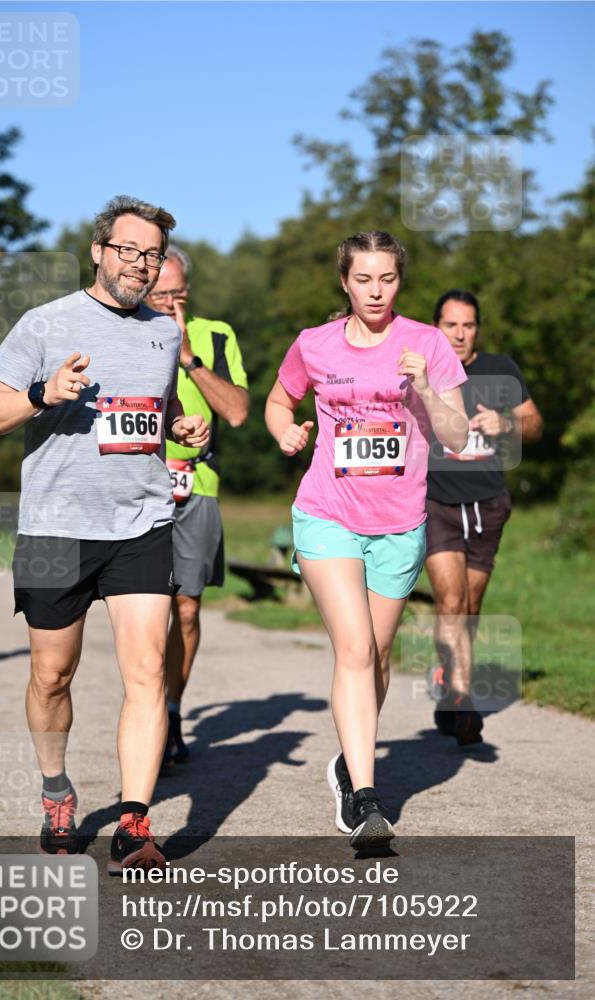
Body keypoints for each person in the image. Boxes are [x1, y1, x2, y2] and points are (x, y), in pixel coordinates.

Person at [0, 195, 209, 873]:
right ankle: (56, 791)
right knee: (52, 674)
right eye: (130, 250)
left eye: (153, 254)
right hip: (54, 528)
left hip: (141, 522)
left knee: (145, 672)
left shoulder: (164, 333)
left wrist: (178, 428)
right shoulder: (44, 324)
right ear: (99, 252)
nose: (141, 264)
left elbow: (146, 415)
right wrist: (42, 394)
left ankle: (133, 822)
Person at [265, 231, 469, 850]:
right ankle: (365, 798)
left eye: (386, 279)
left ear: (398, 281)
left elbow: (457, 436)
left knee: (375, 659)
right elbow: (278, 401)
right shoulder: (314, 344)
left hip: (401, 521)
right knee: (353, 650)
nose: (375, 291)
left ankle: (346, 764)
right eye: (363, 280)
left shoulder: (428, 343)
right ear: (345, 282)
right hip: (327, 513)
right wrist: (285, 433)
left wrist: (427, 390)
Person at [425, 290, 543, 745]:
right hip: (438, 503)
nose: (459, 333)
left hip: (488, 504)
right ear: (436, 326)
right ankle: (464, 702)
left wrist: (508, 424)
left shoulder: (501, 370)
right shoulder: (425, 372)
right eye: (451, 324)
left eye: (468, 325)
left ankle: (447, 681)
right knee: (452, 602)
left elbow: (534, 423)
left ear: (478, 328)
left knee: (468, 607)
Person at [145, 246, 248, 764]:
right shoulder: (126, 328)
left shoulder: (217, 334)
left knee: (187, 609)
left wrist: (189, 355)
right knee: (147, 608)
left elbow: (236, 412)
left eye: (178, 293)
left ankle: (171, 710)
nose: (169, 302)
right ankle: (146, 719)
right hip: (141, 485)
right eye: (159, 293)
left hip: (198, 485)